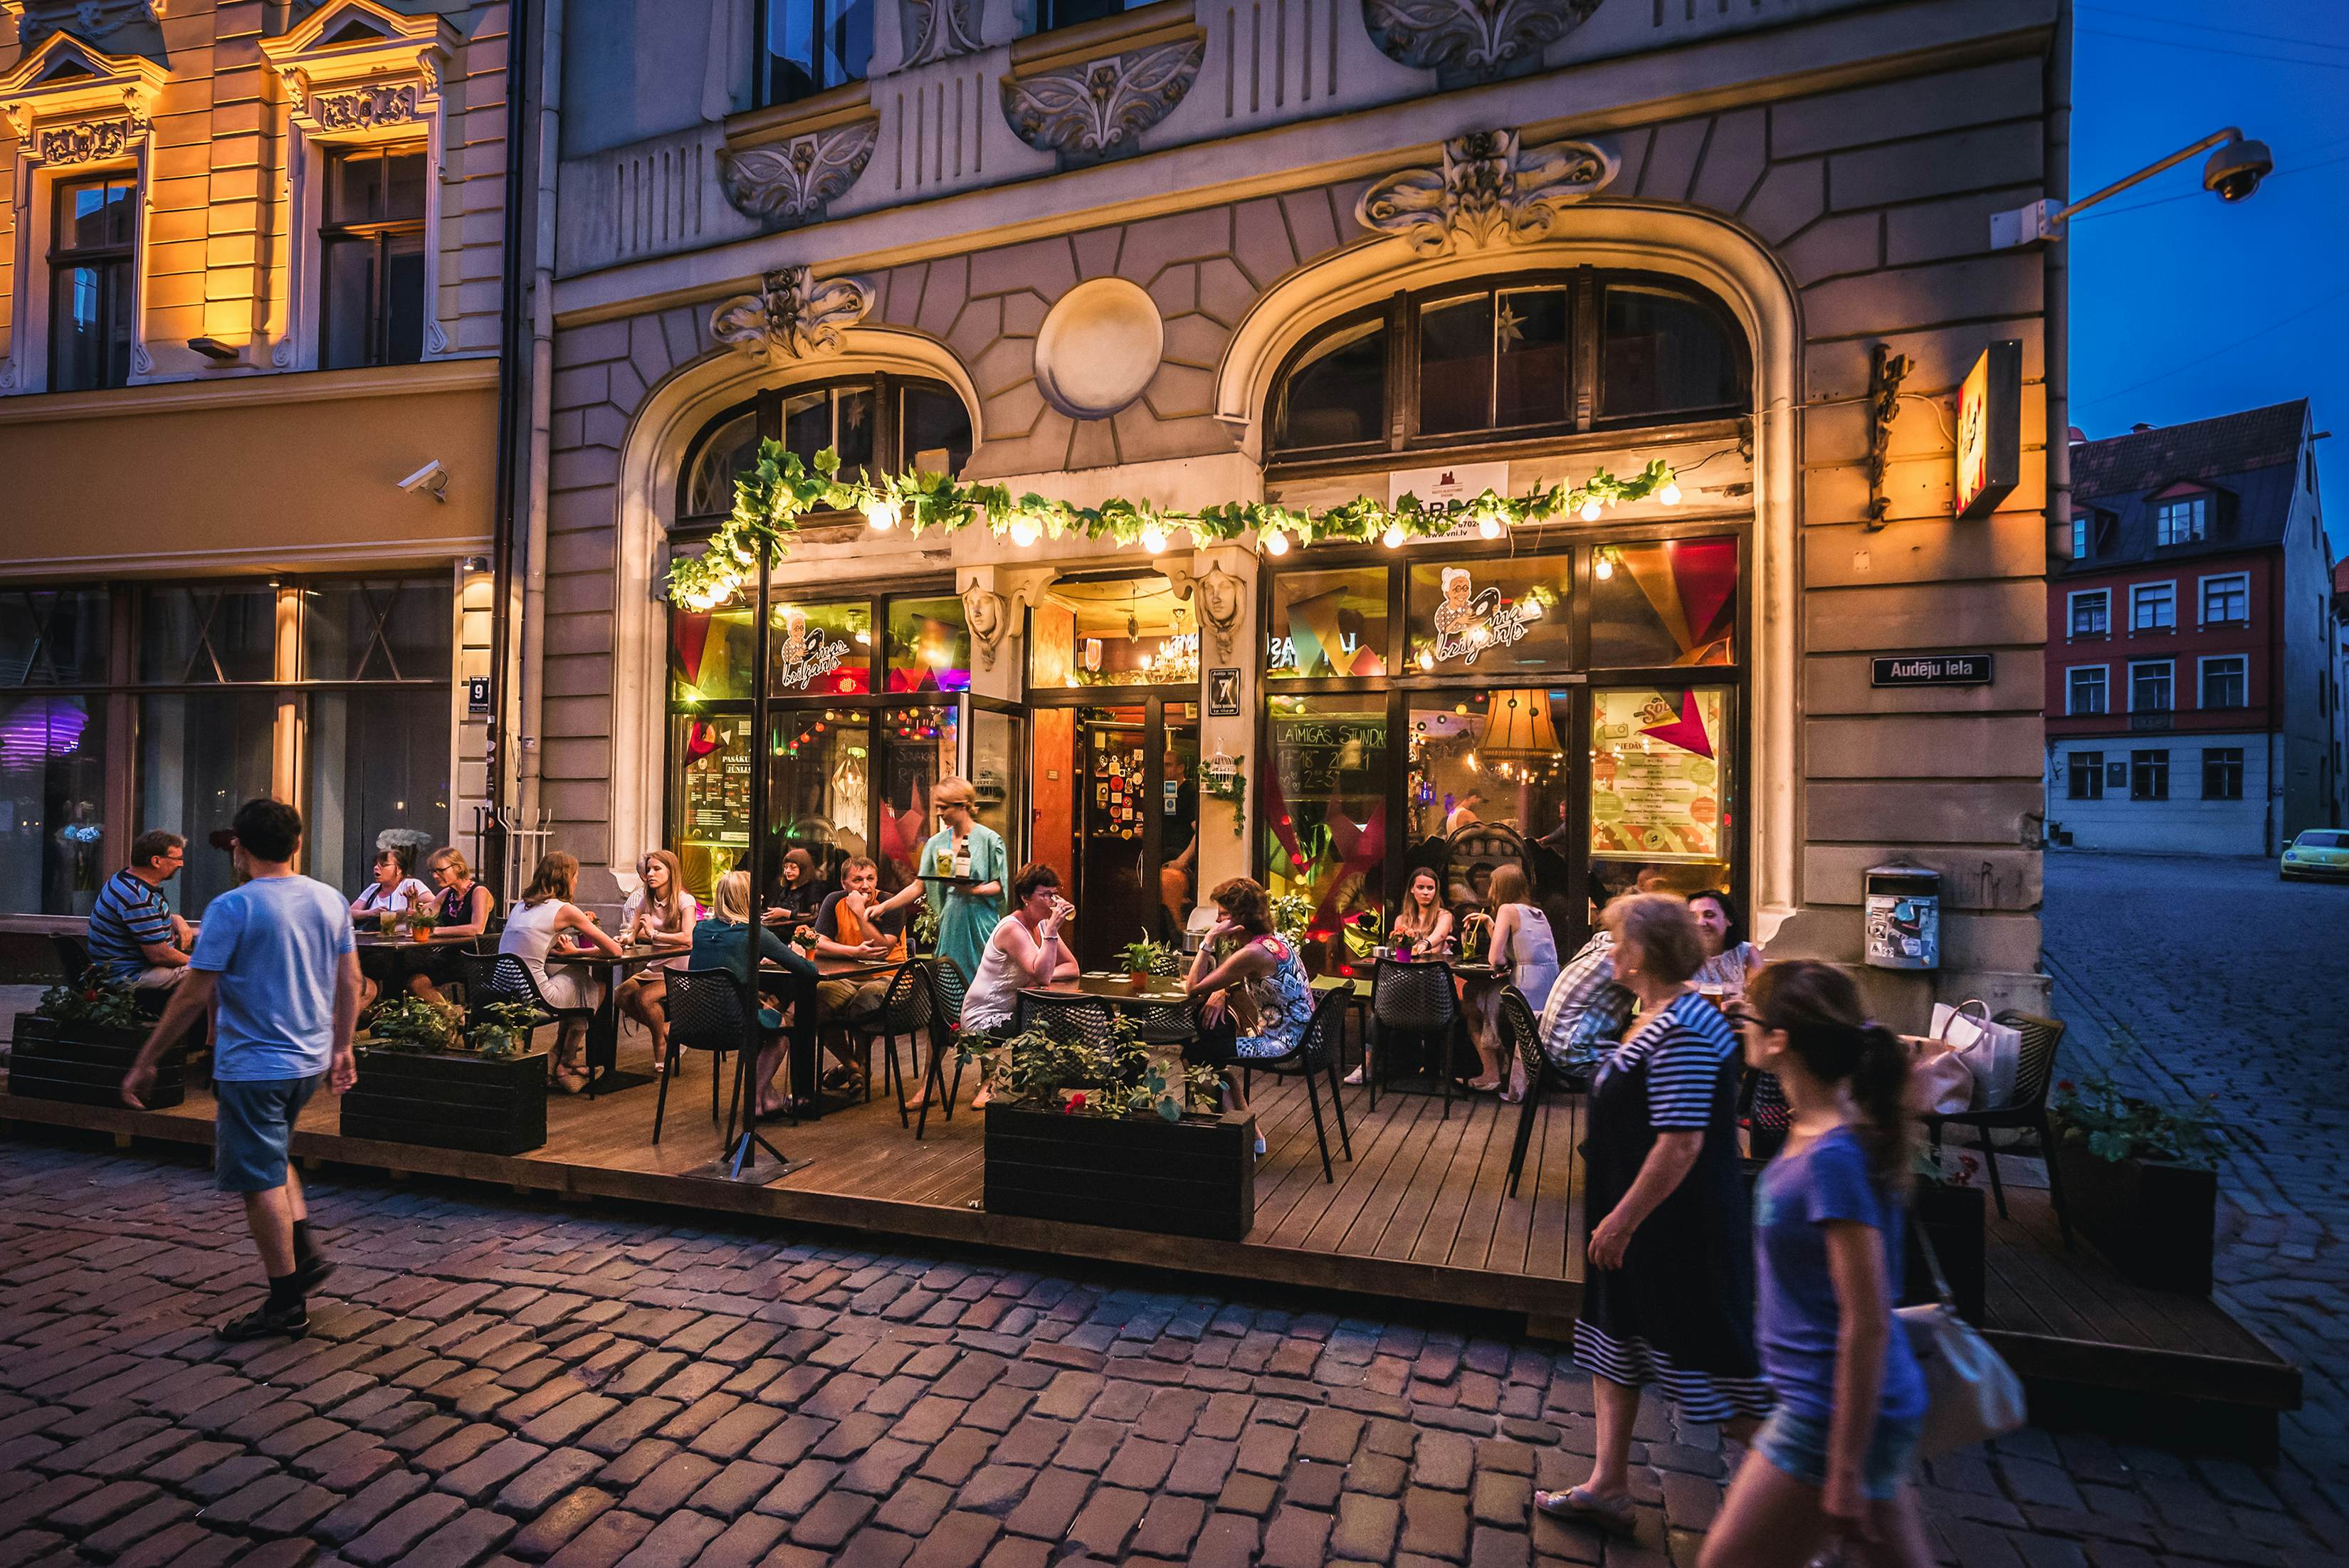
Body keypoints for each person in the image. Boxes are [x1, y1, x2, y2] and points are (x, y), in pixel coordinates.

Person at [1535, 893, 1770, 1534]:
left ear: (1643, 951)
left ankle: (1826, 1502)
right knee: (1618, 1346)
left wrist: (1623, 1221)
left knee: (1713, 1376)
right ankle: (1609, 1485)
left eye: (1617, 939)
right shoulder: (1657, 1012)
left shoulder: (1688, 1025)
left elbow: (1682, 1141)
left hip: (1674, 1229)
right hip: (1636, 1220)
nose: (1610, 949)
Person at [1701, 961, 1932, 1568]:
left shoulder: (1833, 1156)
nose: (1737, 1023)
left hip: (1827, 1409)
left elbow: (1868, 1317)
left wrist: (1846, 1465)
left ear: (1780, 1038)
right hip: (1826, 1397)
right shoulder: (1816, 1127)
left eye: (1746, 1014)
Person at [120, 799, 359, 1342]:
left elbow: (192, 993)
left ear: (240, 849)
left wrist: (147, 1058)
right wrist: (342, 1045)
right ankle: (303, 1254)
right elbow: (350, 981)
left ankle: (285, 1302)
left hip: (254, 1063)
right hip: (307, 1059)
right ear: (297, 844)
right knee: (273, 1155)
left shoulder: (232, 907)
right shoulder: (329, 900)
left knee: (259, 1182)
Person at [1184, 876, 1315, 1158]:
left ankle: (1240, 1140)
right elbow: (1248, 978)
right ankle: (1248, 1131)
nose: (1217, 920)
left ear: (1240, 919)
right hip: (1304, 1037)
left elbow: (1192, 987)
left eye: (1223, 914)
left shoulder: (1252, 952)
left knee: (1196, 1056)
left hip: (1285, 1046)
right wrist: (1222, 992)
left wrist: (1208, 940)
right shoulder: (1272, 941)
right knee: (1213, 1054)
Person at [689, 870, 816, 1121]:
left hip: (695, 1020)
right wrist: (799, 953)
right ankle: (755, 1099)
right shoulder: (755, 933)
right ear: (745, 900)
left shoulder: (700, 930)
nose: (760, 896)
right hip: (735, 1022)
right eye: (754, 893)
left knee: (762, 1015)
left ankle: (768, 1098)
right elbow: (808, 972)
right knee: (781, 1033)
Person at [499, 851, 624, 1093]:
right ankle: (567, 1059)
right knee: (590, 981)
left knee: (578, 981)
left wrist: (563, 944)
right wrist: (573, 954)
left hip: (503, 991)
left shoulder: (521, 906)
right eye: (576, 876)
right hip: (533, 997)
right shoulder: (565, 910)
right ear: (567, 878)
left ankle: (559, 1053)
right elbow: (615, 950)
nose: (577, 881)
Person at [957, 863, 1078, 1105]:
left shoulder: (1043, 924)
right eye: (1045, 895)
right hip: (986, 1017)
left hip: (1016, 1010)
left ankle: (1042, 1092)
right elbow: (1042, 976)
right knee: (1051, 1028)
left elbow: (1072, 967)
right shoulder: (1013, 928)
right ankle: (1032, 1095)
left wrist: (1041, 971)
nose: (1052, 901)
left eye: (1054, 894)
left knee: (1064, 1025)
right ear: (1025, 897)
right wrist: (1052, 934)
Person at [809, 856, 923, 1096]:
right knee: (812, 1001)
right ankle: (853, 1068)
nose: (865, 885)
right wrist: (853, 951)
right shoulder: (834, 901)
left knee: (865, 1002)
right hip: (846, 976)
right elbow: (818, 943)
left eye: (870, 879)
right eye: (857, 880)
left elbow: (881, 951)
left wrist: (860, 913)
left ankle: (857, 1065)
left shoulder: (889, 904)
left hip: (891, 976)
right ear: (844, 884)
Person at [1346, 865, 1454, 1086]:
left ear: (1436, 891)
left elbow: (1440, 934)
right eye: (1421, 887)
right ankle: (1366, 1066)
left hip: (1434, 991)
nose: (1426, 892)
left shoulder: (1444, 916)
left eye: (1431, 888)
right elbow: (1399, 952)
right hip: (1407, 987)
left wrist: (1424, 943)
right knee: (1378, 1012)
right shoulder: (1402, 920)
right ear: (1412, 891)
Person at [1470, 864, 1560, 1096]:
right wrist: (1490, 925)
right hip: (1547, 984)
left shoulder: (1507, 910)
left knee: (1474, 998)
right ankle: (1499, 1071)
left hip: (1525, 987)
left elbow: (1495, 958)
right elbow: (1519, 948)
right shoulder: (1537, 912)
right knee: (1486, 996)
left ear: (1498, 887)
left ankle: (1490, 1072)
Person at [615, 849, 700, 1075]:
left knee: (644, 998)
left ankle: (659, 1044)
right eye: (649, 869)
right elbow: (631, 933)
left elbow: (688, 938)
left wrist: (654, 935)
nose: (650, 874)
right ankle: (663, 1029)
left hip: (679, 970)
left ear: (671, 872)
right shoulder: (646, 900)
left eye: (657, 869)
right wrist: (624, 938)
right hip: (654, 967)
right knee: (622, 994)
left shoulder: (685, 900)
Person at [920, 776, 1008, 986]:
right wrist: (885, 906)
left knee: (983, 979)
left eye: (944, 807)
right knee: (950, 977)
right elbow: (919, 884)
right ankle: (951, 1020)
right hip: (952, 918)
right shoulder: (936, 843)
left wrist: (973, 891)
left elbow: (1000, 885)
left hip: (980, 920)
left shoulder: (989, 840)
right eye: (937, 807)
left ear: (962, 806)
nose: (939, 813)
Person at [88, 830, 194, 994]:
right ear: (156, 861)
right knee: (212, 975)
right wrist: (199, 963)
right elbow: (160, 956)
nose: (181, 864)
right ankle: (176, 1021)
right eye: (178, 859)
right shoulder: (137, 897)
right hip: (131, 976)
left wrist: (174, 919)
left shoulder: (122, 879)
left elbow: (141, 920)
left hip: (124, 969)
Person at [405, 847, 496, 1009]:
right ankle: (451, 1015)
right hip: (451, 955)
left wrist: (436, 932)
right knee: (413, 978)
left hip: (476, 959)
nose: (435, 875)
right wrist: (411, 902)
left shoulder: (479, 892)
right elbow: (421, 920)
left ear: (458, 867)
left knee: (415, 975)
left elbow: (477, 929)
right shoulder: (447, 894)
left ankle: (453, 1019)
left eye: (440, 870)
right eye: (432, 871)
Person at [1692, 889, 1766, 996]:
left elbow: (1759, 997)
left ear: (1729, 920)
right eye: (1693, 917)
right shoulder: (1678, 956)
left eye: (1709, 915)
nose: (1700, 923)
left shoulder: (1747, 953)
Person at [348, 845, 433, 925]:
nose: (376, 868)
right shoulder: (373, 889)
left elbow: (435, 904)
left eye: (384, 865)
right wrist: (370, 913)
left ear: (399, 869)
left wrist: (403, 913)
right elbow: (350, 912)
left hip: (402, 938)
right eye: (376, 865)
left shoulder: (410, 884)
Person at [762, 847, 827, 927]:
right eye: (786, 867)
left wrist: (785, 913)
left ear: (803, 868)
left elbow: (814, 916)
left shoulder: (814, 888)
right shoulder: (783, 887)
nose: (787, 871)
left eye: (792, 867)